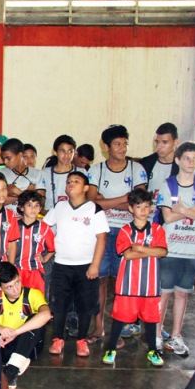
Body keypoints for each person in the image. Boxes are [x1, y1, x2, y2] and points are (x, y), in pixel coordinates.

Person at [87, 125, 147, 342]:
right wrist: (124, 199)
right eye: (117, 144)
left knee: (122, 283)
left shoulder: (136, 169)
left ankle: (118, 329)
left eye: (125, 143)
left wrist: (107, 202)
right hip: (101, 232)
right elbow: (92, 202)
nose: (123, 148)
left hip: (127, 233)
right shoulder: (96, 170)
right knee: (100, 280)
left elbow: (140, 203)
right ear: (106, 147)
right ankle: (98, 328)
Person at [101, 188, 167, 367]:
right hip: (128, 285)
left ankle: (152, 350)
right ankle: (111, 348)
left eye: (147, 206)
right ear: (131, 209)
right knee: (120, 318)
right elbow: (127, 255)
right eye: (139, 206)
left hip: (150, 285)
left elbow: (162, 252)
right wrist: (149, 251)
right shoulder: (124, 230)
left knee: (152, 319)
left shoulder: (157, 229)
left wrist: (139, 248)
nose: (144, 210)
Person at [45, 172, 109, 356]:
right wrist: (50, 251)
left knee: (85, 305)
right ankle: (58, 338)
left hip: (86, 267)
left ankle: (82, 339)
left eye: (76, 181)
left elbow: (101, 238)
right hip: (61, 265)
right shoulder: (60, 207)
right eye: (69, 181)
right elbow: (45, 228)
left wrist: (95, 265)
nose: (71, 184)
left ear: (86, 187)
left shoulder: (94, 209)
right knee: (60, 304)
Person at [156, 142, 195, 356]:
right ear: (177, 160)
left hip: (193, 250)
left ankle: (176, 335)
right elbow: (167, 217)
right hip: (170, 249)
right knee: (164, 293)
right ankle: (157, 335)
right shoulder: (167, 184)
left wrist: (184, 210)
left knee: (182, 294)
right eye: (186, 158)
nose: (191, 162)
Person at [0, 262, 51, 389]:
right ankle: (14, 363)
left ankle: (11, 371)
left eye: (17, 282)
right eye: (9, 287)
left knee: (37, 320)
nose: (15, 289)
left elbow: (47, 315)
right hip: (3, 344)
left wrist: (15, 333)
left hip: (28, 346)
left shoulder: (32, 294)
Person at [14, 191, 55, 291]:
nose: (33, 208)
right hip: (15, 271)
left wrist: (44, 259)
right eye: (29, 205)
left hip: (35, 271)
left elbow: (52, 249)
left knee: (36, 302)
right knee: (16, 301)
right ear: (21, 207)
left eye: (37, 205)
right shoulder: (14, 226)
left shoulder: (44, 228)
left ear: (40, 208)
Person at [38, 135, 84, 212]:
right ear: (55, 152)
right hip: (50, 218)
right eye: (62, 151)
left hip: (74, 217)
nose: (66, 155)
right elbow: (39, 199)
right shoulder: (44, 173)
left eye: (70, 151)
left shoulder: (82, 172)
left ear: (74, 152)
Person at [0, 139, 42, 209]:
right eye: (4, 159)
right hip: (7, 217)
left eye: (8, 158)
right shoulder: (1, 173)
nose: (5, 162)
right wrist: (26, 193)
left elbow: (40, 202)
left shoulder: (37, 174)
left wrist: (16, 192)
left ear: (20, 155)